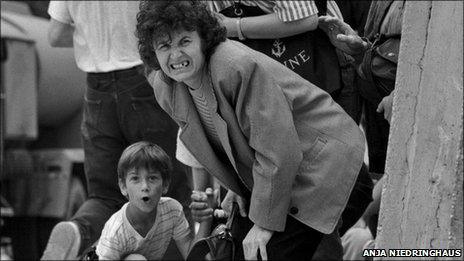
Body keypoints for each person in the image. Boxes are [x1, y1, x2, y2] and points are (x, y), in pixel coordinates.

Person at [136, 1, 366, 260]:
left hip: (326, 164)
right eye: (164, 46)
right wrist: (238, 185)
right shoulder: (165, 88)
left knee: (263, 253)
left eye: (184, 41)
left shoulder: (234, 65)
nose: (175, 56)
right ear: (152, 53)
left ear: (203, 38)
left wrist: (264, 224)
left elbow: (280, 148)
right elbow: (225, 141)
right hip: (280, 174)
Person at [41, 2, 190, 259]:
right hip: (145, 81)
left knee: (104, 196)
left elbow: (55, 34)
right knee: (169, 190)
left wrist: (93, 39)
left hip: (96, 89)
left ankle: (76, 229)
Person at [96, 141, 212, 260]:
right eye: (135, 179)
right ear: (123, 186)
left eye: (152, 178)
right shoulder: (116, 231)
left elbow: (192, 257)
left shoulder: (172, 211)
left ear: (165, 185)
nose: (145, 187)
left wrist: (206, 219)